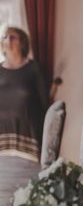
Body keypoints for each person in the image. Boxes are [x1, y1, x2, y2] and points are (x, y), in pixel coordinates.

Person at [0, 26, 48, 161]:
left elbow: (44, 104)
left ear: (23, 43)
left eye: (13, 37)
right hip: (2, 143)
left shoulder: (34, 69)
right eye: (5, 37)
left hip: (28, 141)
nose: (8, 40)